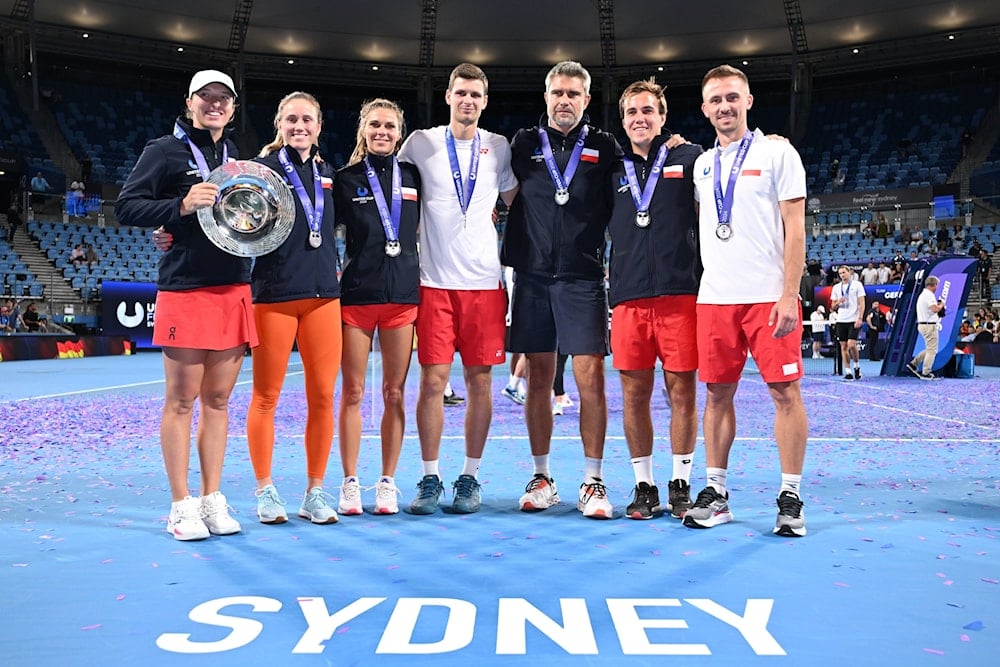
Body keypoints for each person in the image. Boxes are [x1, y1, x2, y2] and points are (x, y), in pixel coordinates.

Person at [115, 69, 253, 541]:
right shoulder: (164, 150)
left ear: (233, 107)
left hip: (234, 286)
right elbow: (127, 206)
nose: (215, 105)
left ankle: (212, 499)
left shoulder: (241, 157)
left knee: (218, 401)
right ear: (190, 101)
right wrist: (179, 205)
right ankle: (180, 504)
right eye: (206, 97)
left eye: (224, 99)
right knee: (181, 401)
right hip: (186, 288)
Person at [682, 64, 809, 537]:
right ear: (704, 109)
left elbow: (795, 228)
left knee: (785, 393)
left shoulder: (779, 153)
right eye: (715, 100)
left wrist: (789, 293)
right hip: (715, 298)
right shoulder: (701, 166)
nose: (725, 106)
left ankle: (791, 496)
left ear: (749, 101)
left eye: (733, 97)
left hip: (767, 298)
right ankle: (716, 494)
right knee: (716, 394)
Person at [501, 60, 622, 519]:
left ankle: (593, 481)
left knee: (590, 379)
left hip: (583, 277)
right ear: (547, 97)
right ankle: (542, 476)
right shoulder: (524, 143)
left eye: (574, 93)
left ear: (586, 100)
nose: (565, 100)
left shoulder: (605, 145)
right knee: (537, 381)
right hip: (532, 276)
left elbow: (642, 168)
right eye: (558, 93)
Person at [397, 63, 518, 514]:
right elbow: (382, 180)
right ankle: (430, 478)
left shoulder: (499, 147)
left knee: (480, 382)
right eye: (461, 92)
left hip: (485, 284)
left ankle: (469, 476)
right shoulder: (421, 143)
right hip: (433, 283)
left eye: (476, 94)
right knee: (432, 382)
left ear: (485, 101)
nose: (468, 100)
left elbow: (518, 202)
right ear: (448, 96)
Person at [241, 92, 343, 526]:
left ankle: (314, 491)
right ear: (278, 124)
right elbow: (223, 218)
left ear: (319, 127)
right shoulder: (260, 172)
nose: (299, 126)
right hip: (274, 296)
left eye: (307, 120)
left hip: (323, 298)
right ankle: (265, 489)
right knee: (266, 396)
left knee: (322, 398)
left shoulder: (328, 174)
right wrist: (168, 231)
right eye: (291, 119)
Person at [605, 78, 703, 520]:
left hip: (681, 295)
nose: (640, 119)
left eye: (648, 111)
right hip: (628, 298)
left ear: (662, 117)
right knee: (633, 394)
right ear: (623, 121)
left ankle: (680, 481)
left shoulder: (691, 157)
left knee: (681, 390)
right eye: (631, 113)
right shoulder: (610, 166)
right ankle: (644, 485)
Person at [334, 98, 420, 516]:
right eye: (374, 125)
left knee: (395, 393)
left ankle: (387, 481)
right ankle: (350, 482)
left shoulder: (415, 177)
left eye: (389, 126)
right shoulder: (345, 180)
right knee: (352, 391)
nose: (382, 132)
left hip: (402, 298)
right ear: (363, 131)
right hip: (357, 298)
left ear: (399, 132)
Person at [906, 275, 944, 380]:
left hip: (923, 324)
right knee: (932, 350)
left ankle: (914, 364)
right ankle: (926, 372)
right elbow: (935, 309)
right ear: (933, 285)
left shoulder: (923, 295)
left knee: (930, 348)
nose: (937, 287)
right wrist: (942, 305)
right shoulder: (929, 295)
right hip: (929, 326)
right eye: (936, 285)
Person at [831, 265, 865, 381]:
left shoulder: (857, 285)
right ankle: (848, 371)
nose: (842, 275)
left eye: (844, 272)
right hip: (841, 320)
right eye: (840, 273)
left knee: (851, 344)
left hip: (853, 319)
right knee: (843, 346)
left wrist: (860, 318)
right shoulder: (836, 288)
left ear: (849, 272)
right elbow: (832, 307)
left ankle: (856, 366)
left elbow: (862, 302)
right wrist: (838, 302)